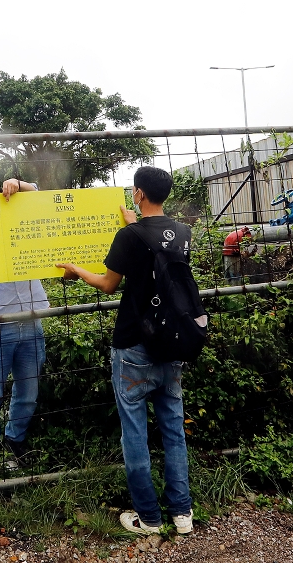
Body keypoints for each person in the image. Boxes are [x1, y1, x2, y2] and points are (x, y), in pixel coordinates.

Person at [56, 165, 193, 537]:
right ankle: (182, 513)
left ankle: (148, 517)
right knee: (173, 430)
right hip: (173, 342)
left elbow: (107, 285)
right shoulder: (183, 233)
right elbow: (158, 258)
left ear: (138, 194)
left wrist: (75, 270)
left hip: (134, 344)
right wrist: (135, 224)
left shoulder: (129, 236)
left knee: (134, 433)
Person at [0, 177, 48, 466]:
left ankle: (15, 439)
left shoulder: (25, 230)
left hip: (31, 322)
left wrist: (18, 183)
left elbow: (39, 196)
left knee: (28, 392)